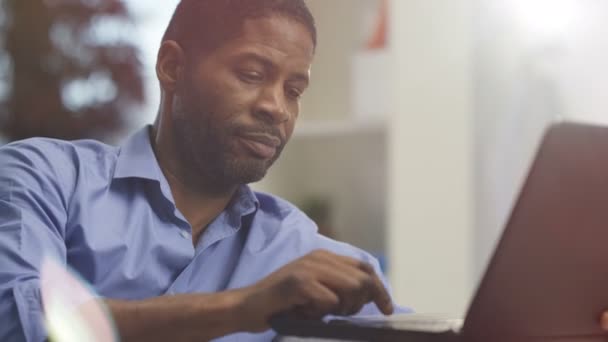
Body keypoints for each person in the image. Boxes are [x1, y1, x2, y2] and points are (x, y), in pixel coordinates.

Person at [0, 1, 406, 341]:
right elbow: (17, 321)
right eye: (251, 75)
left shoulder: (301, 249)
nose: (277, 108)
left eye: (294, 90)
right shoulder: (44, 178)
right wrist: (242, 308)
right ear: (172, 67)